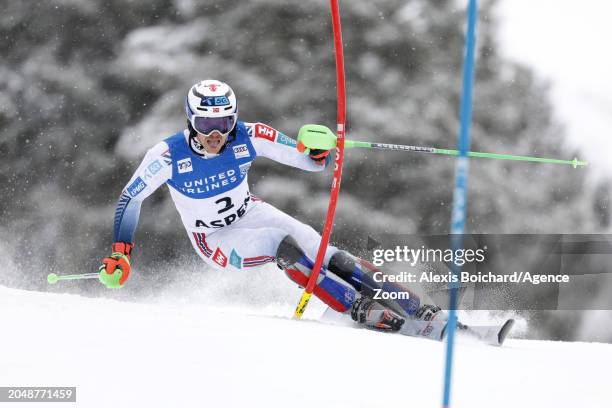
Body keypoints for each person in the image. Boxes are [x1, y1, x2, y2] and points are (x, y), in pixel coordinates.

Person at [100, 79, 440, 331]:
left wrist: (317, 148)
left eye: (224, 122)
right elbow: (131, 198)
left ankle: (414, 308)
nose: (216, 133)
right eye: (206, 124)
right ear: (191, 119)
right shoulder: (166, 155)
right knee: (279, 245)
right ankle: (358, 308)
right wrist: (121, 252)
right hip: (214, 239)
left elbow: (309, 161)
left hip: (249, 211)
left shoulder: (250, 135)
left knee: (318, 247)